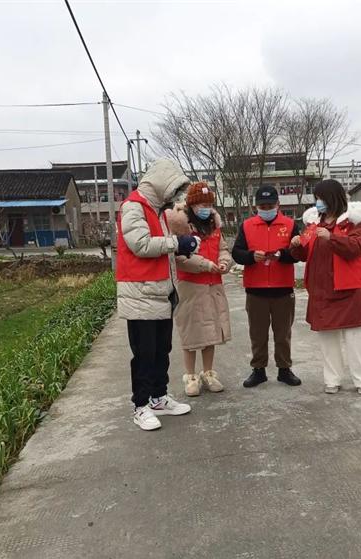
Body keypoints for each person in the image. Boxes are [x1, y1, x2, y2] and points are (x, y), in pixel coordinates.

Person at [116, 159, 200, 431]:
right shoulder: (133, 206)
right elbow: (140, 244)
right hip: (140, 291)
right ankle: (140, 405)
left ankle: (158, 397)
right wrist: (176, 243)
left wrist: (180, 247)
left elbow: (162, 248)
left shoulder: (158, 211)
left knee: (162, 350)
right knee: (144, 353)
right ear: (161, 183)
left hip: (161, 291)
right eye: (173, 189)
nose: (174, 195)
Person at [290, 179, 361, 394]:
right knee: (328, 338)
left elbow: (357, 247)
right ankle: (332, 380)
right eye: (316, 198)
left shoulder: (353, 222)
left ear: (332, 198)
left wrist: (332, 237)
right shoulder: (314, 223)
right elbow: (305, 254)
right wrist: (296, 246)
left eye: (321, 198)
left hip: (348, 290)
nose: (318, 202)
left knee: (355, 338)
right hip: (322, 290)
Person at [165, 181, 232, 397]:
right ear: (191, 205)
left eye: (209, 204)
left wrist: (224, 262)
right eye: (202, 205)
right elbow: (179, 258)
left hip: (213, 284)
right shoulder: (181, 226)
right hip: (190, 286)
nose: (206, 208)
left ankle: (208, 372)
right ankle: (190, 375)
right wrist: (205, 264)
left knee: (211, 331)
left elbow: (223, 249)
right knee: (191, 332)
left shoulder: (214, 225)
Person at [231, 185, 302, 388]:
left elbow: (298, 254)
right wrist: (251, 256)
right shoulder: (247, 226)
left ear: (278, 204)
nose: (266, 209)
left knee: (283, 333)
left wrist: (283, 255)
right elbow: (236, 252)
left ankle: (284, 369)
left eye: (270, 205)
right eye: (262, 206)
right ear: (256, 206)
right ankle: (258, 370)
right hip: (256, 290)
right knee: (257, 334)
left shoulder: (290, 225)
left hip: (283, 289)